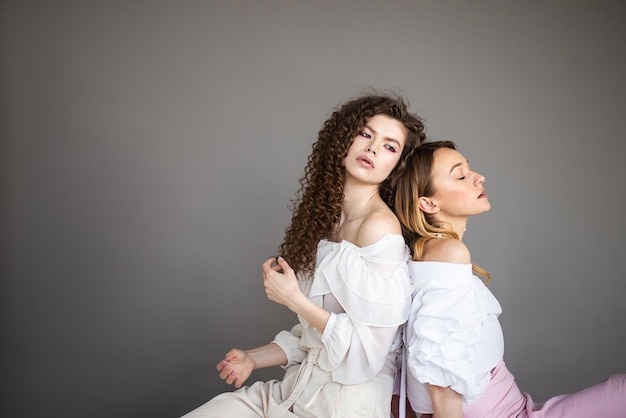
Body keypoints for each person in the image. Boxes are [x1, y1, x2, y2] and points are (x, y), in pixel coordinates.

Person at [181, 93, 428, 418]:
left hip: (344, 405)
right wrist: (254, 358)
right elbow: (316, 338)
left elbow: (366, 355)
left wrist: (295, 300)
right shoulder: (328, 222)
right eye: (366, 134)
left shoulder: (380, 229)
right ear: (343, 137)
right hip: (296, 389)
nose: (372, 148)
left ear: (396, 166)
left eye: (389, 146)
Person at [391, 140, 626, 418]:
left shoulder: (429, 258)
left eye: (470, 169)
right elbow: (441, 382)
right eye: (461, 175)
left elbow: (405, 384)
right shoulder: (448, 254)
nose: (479, 177)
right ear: (428, 203)